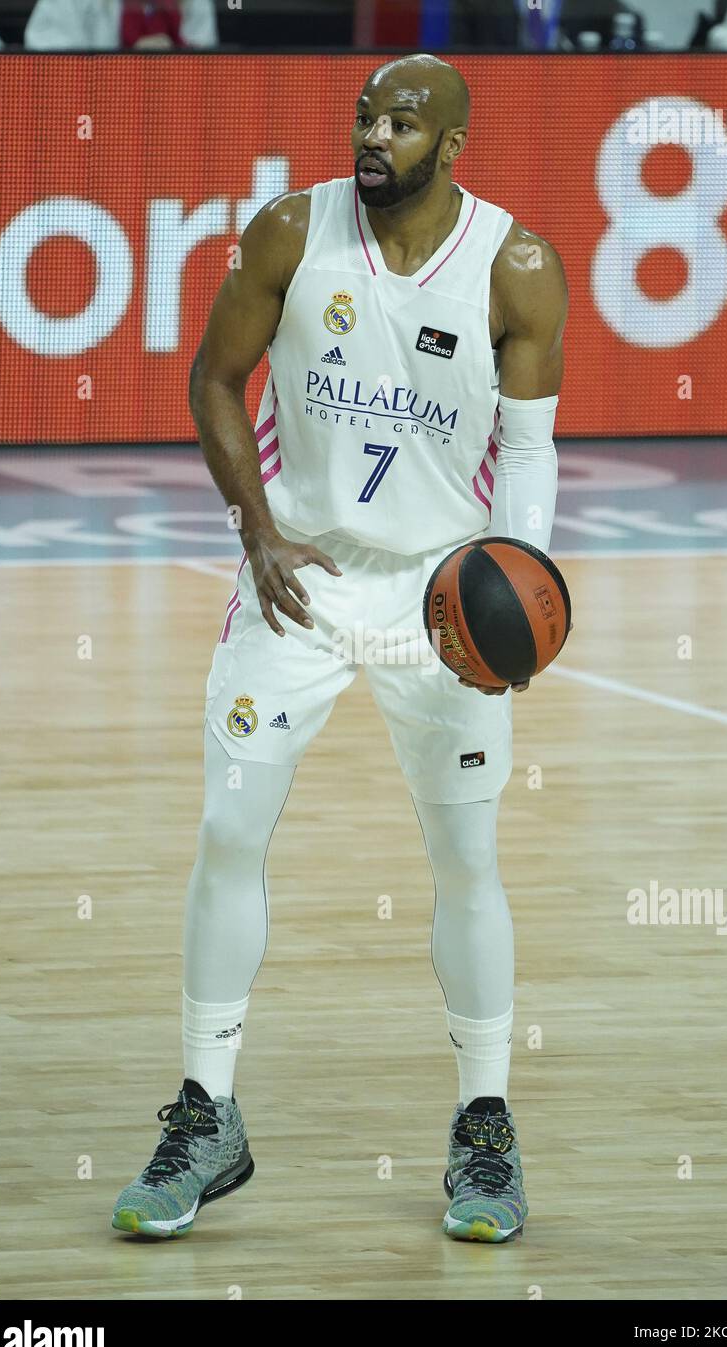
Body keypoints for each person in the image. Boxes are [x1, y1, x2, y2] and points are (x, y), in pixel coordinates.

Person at [112, 52, 567, 1245]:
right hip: (299, 578)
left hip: (441, 603)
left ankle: (484, 1126)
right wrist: (251, 529)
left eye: (402, 122)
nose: (374, 134)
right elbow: (214, 378)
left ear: (452, 144)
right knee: (225, 827)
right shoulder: (287, 232)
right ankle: (206, 1113)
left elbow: (526, 454)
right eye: (365, 115)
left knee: (466, 856)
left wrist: (513, 579)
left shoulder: (515, 268)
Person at [24, 0, 218, 50]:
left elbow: (208, 80)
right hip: (93, 125)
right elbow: (50, 76)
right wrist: (128, 67)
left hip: (173, 122)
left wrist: (170, 65)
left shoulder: (194, 3)